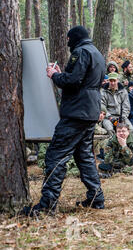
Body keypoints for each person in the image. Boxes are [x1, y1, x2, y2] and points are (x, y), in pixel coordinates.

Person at [22, 25, 105, 216]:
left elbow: (74, 81)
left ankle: (47, 205)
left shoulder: (80, 51)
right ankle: (96, 198)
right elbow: (83, 79)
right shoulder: (95, 52)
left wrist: (54, 75)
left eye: (68, 40)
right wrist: (61, 73)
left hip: (76, 112)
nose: (67, 43)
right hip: (90, 112)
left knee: (55, 156)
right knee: (84, 157)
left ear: (74, 38)